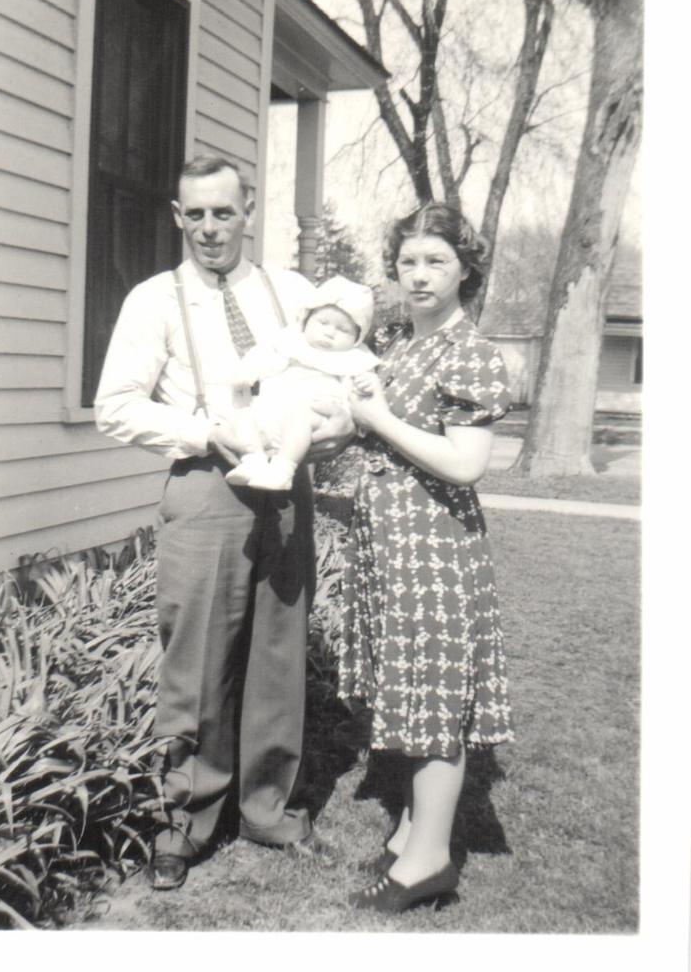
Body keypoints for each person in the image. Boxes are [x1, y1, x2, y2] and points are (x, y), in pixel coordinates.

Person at [95, 154, 351, 891]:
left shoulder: (292, 293)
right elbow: (117, 405)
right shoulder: (154, 299)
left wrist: (332, 430)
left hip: (286, 485)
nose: (209, 228)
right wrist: (210, 429)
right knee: (196, 659)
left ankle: (267, 806)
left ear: (248, 212)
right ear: (178, 218)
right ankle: (185, 821)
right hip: (205, 487)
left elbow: (335, 378)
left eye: (223, 212)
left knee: (277, 651)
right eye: (195, 215)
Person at [338, 202, 514, 915]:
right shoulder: (398, 343)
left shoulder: (468, 352)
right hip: (389, 541)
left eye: (435, 261)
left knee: (433, 693)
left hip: (434, 545)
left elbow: (465, 464)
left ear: (464, 269)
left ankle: (430, 861)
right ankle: (415, 828)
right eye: (407, 260)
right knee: (407, 687)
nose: (418, 274)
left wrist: (375, 419)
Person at [226, 274, 379, 491]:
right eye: (323, 322)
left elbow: (361, 393)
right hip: (271, 410)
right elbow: (261, 358)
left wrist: (364, 385)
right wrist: (246, 373)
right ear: (306, 319)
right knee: (242, 410)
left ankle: (283, 469)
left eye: (343, 329)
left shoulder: (354, 359)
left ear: (357, 338)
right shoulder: (290, 342)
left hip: (312, 415)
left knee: (300, 415)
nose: (329, 333)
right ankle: (253, 460)